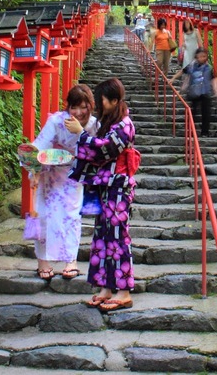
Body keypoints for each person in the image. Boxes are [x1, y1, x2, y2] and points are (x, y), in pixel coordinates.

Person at [67, 78, 137, 312]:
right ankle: (106, 287)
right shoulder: (110, 122)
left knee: (117, 237)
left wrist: (81, 134)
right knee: (102, 236)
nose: (99, 104)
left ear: (114, 100)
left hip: (118, 185)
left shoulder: (124, 124)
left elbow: (106, 148)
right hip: (105, 186)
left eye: (102, 100)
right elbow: (98, 149)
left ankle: (124, 291)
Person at [29, 84, 98, 280]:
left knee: (72, 216)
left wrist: (81, 134)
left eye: (83, 107)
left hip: (73, 174)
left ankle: (71, 260)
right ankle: (42, 260)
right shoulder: (56, 121)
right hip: (49, 173)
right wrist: (34, 170)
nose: (78, 112)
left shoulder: (94, 125)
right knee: (43, 215)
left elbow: (98, 151)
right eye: (73, 107)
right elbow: (39, 146)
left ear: (91, 105)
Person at [172, 47, 217, 137]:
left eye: (204, 56)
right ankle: (190, 131)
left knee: (206, 113)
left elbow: (214, 77)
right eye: (200, 56)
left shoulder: (209, 67)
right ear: (196, 57)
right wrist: (173, 78)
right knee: (193, 112)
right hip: (194, 92)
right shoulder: (192, 66)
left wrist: (215, 89)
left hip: (205, 92)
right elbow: (183, 71)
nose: (202, 58)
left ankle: (205, 132)